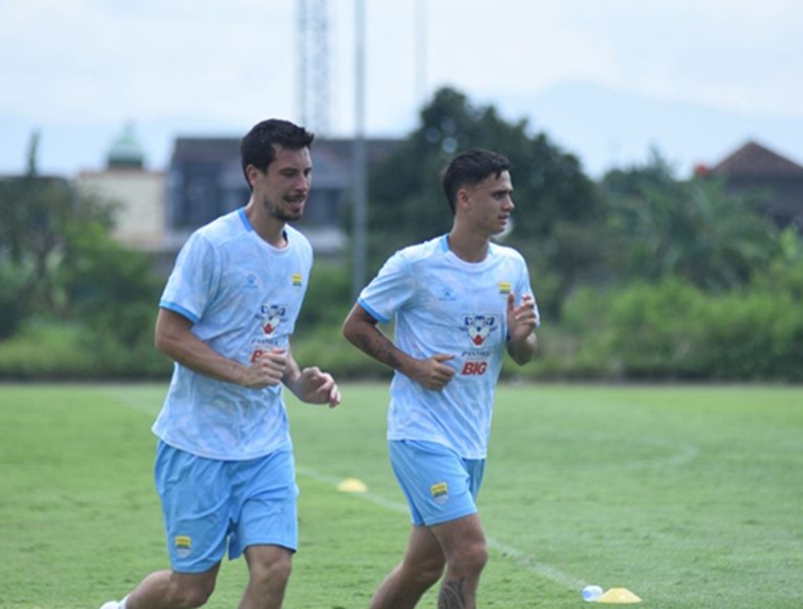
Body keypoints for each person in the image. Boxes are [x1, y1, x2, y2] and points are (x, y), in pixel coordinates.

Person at [100, 118, 341, 609]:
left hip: (265, 445)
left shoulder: (302, 252)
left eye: (307, 173)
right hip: (198, 447)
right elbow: (167, 335)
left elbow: (274, 337)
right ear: (254, 175)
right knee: (191, 590)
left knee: (275, 568)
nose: (302, 186)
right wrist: (242, 374)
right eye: (289, 174)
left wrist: (298, 383)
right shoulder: (212, 246)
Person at [342, 148, 539, 609]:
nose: (509, 204)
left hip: (472, 439)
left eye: (509, 194)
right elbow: (355, 325)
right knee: (470, 552)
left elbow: (524, 355)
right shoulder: (415, 264)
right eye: (499, 195)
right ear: (465, 199)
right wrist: (413, 366)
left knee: (423, 568)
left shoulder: (513, 267)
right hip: (421, 435)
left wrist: (520, 337)